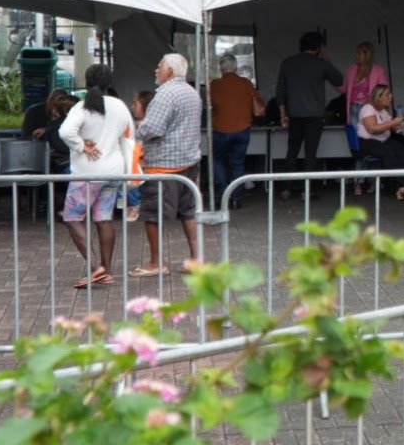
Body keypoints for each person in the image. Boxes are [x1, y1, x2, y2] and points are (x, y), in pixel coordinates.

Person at [58, 65, 133, 290]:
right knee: (104, 219)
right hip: (114, 171)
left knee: (72, 217)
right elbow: (128, 135)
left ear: (87, 81)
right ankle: (107, 270)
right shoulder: (120, 105)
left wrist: (83, 146)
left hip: (88, 173)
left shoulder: (83, 106)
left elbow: (64, 132)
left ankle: (96, 268)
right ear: (109, 82)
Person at [133, 53, 203, 275]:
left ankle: (156, 263)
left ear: (170, 71)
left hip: (164, 166)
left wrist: (138, 129)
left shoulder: (165, 94)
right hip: (189, 162)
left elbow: (153, 129)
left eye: (160, 66)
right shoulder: (192, 93)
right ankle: (196, 259)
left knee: (154, 215)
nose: (156, 69)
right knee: (189, 212)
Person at [273, 32, 342, 199]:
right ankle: (306, 190)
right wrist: (326, 59)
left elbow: (280, 91)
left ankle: (286, 189)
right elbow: (339, 80)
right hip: (315, 115)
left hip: (294, 114)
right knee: (311, 153)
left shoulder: (288, 63)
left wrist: (283, 114)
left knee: (292, 150)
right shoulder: (321, 64)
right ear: (318, 48)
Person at [208, 54, 263, 209]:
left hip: (221, 130)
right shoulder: (246, 83)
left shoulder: (215, 84)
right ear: (236, 67)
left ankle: (225, 194)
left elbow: (211, 104)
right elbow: (258, 103)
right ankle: (236, 199)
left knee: (217, 160)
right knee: (237, 163)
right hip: (243, 129)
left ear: (221, 68)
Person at [338, 41, 388, 127]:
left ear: (367, 55)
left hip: (369, 109)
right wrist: (332, 79)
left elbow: (384, 90)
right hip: (353, 108)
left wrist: (371, 101)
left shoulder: (378, 70)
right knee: (355, 137)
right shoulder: (351, 69)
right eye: (356, 53)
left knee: (368, 136)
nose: (356, 56)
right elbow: (344, 88)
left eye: (359, 53)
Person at [123, 90, 153, 223]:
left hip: (144, 162)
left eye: (136, 104)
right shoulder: (136, 124)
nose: (132, 107)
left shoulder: (146, 126)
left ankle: (135, 206)